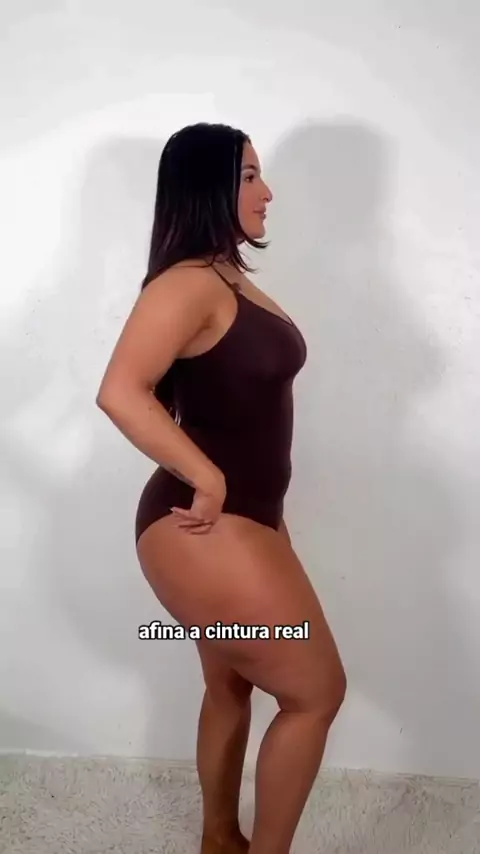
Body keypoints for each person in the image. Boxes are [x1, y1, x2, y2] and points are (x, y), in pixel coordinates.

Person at [96, 122, 346, 854]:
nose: (267, 192)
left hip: (249, 520)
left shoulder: (224, 277)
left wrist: (264, 517)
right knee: (316, 694)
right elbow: (120, 391)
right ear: (206, 186)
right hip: (201, 523)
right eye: (248, 176)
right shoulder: (186, 284)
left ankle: (219, 841)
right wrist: (206, 477)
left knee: (230, 685)